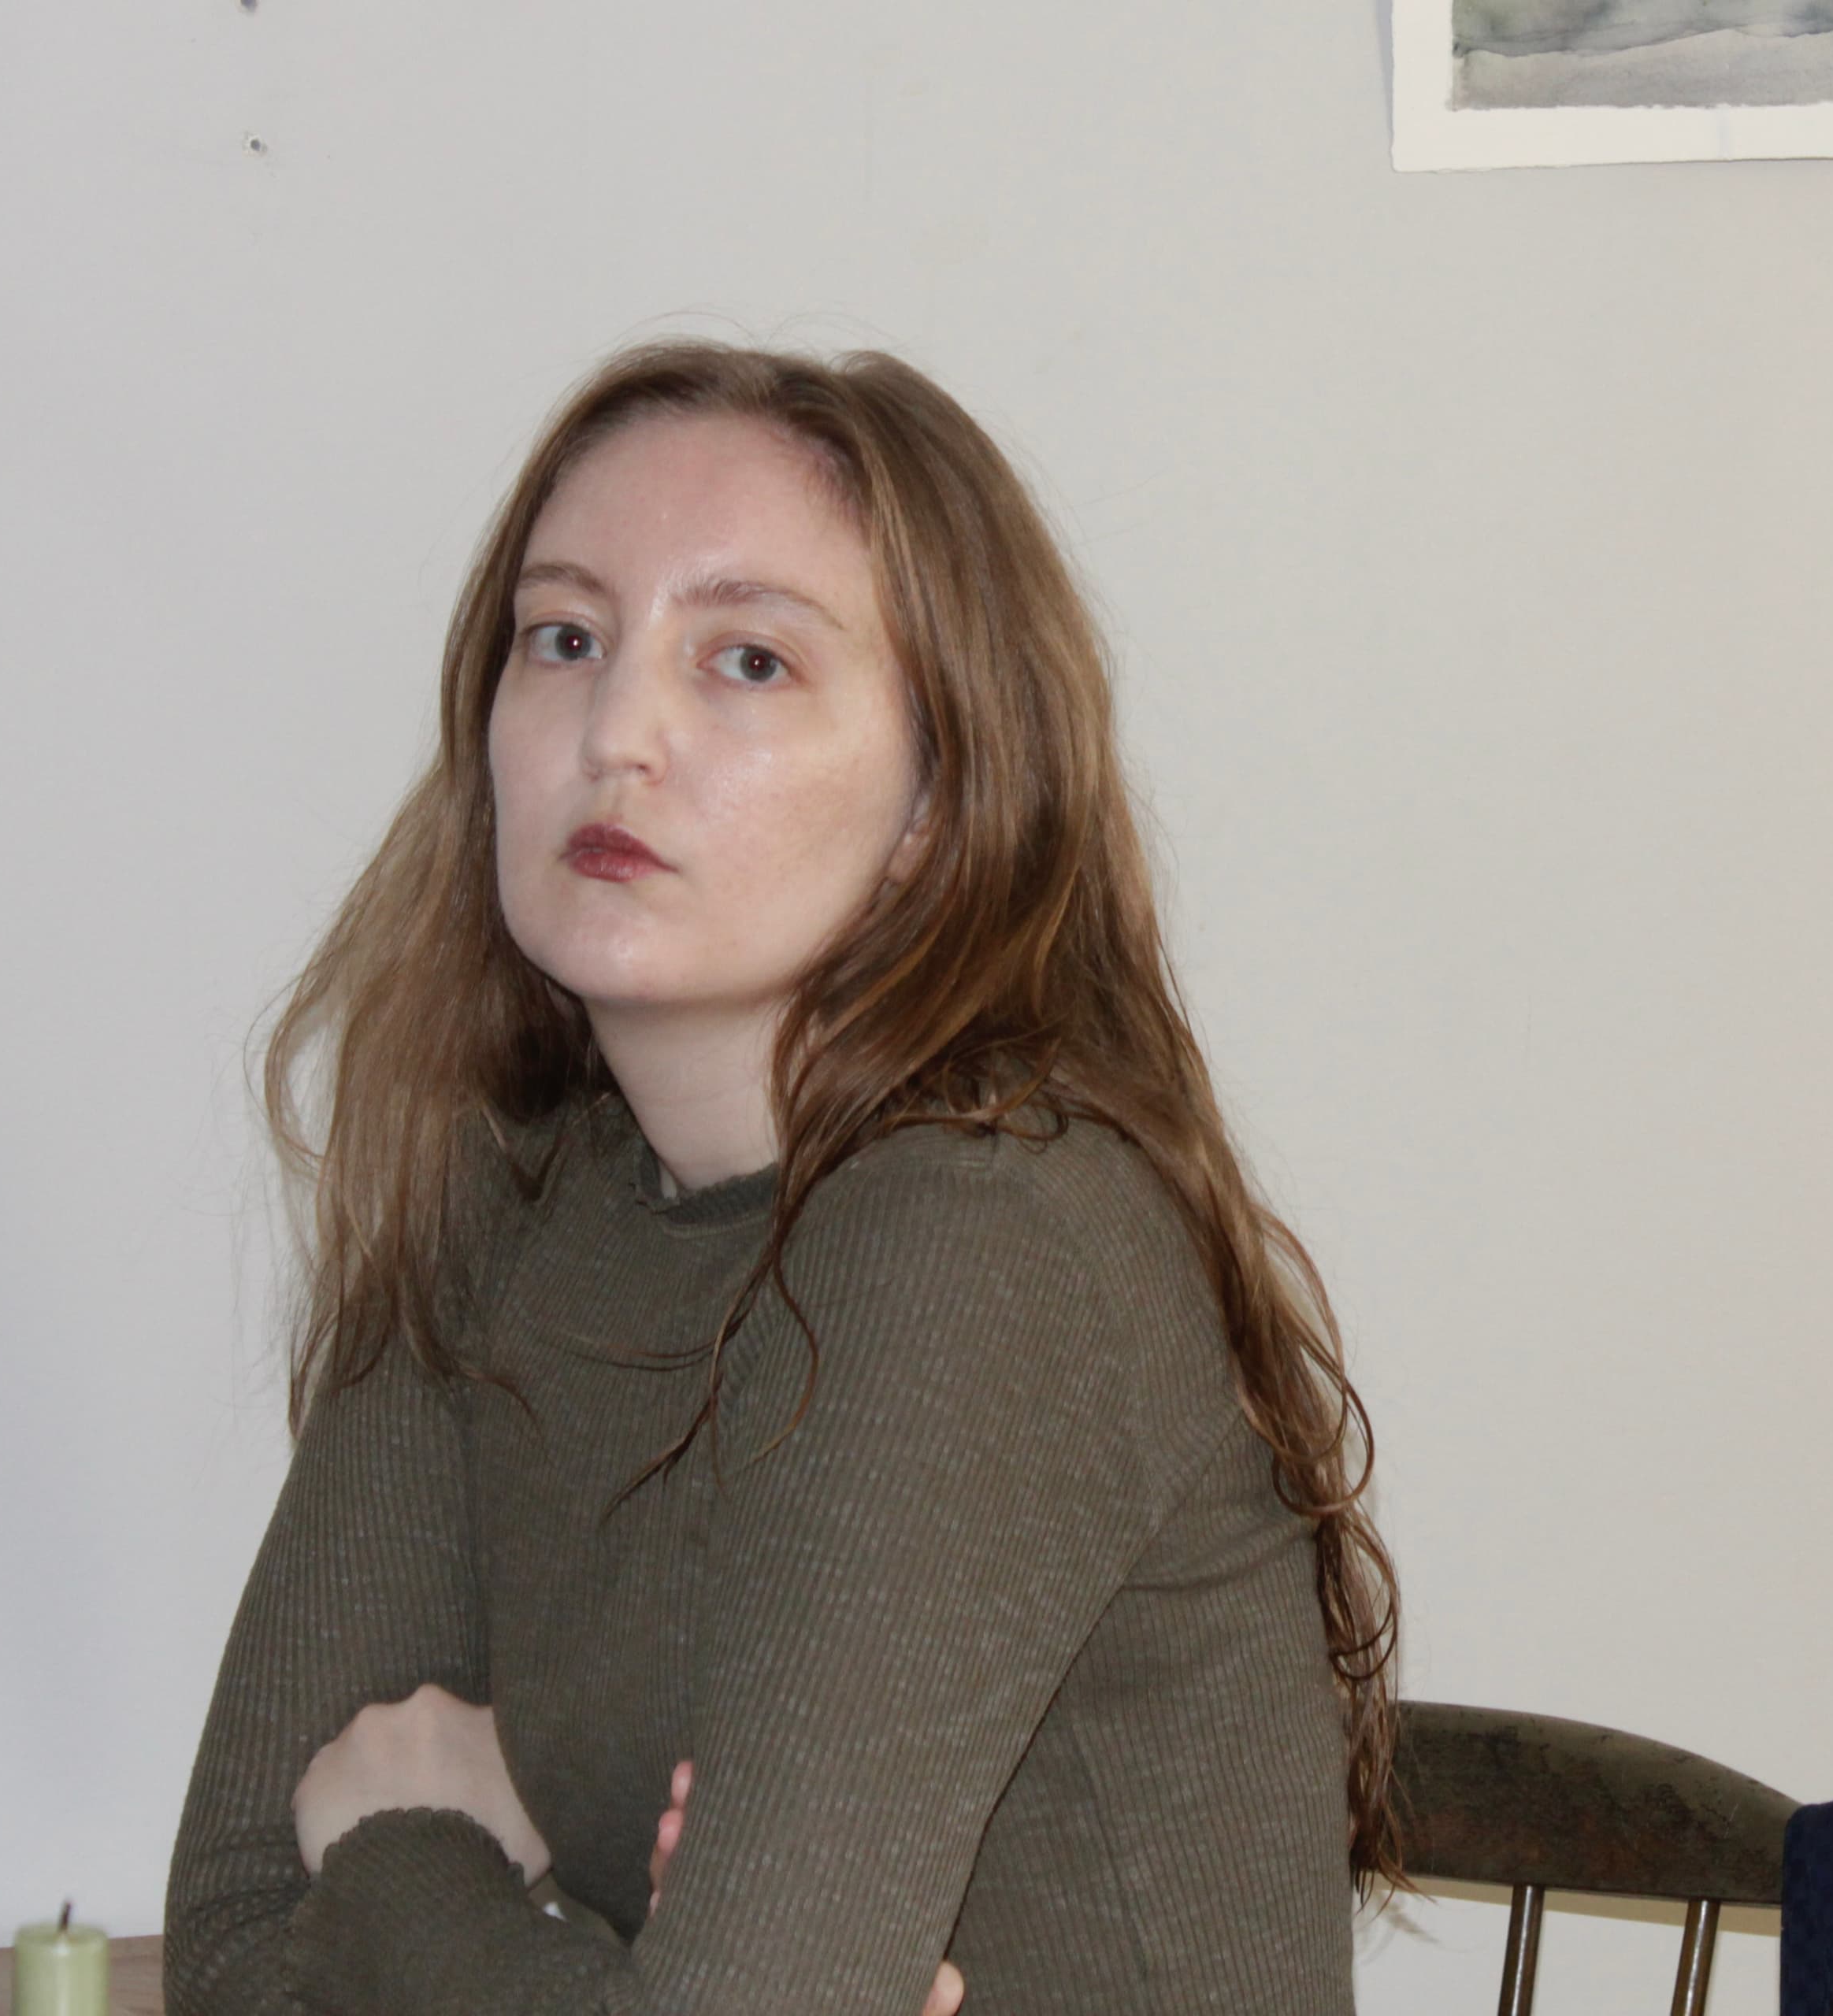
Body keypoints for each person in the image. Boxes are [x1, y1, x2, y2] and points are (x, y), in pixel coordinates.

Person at [163, 339, 1399, 2016]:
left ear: (938, 802)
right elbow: (235, 1940)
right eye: (567, 636)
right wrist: (592, 1964)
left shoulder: (984, 1238)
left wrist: (408, 1848)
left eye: (746, 658)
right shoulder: (504, 1196)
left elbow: (329, 1875)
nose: (621, 731)